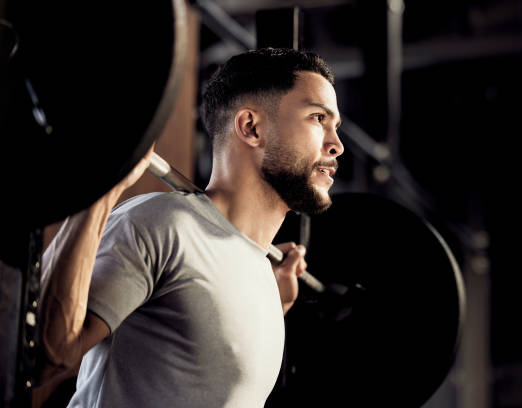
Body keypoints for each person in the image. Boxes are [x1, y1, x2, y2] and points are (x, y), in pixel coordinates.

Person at [37, 47, 344, 407]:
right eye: (318, 118)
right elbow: (48, 359)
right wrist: (102, 188)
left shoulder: (262, 272)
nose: (336, 145)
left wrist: (275, 304)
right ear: (251, 127)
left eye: (334, 126)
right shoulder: (162, 225)